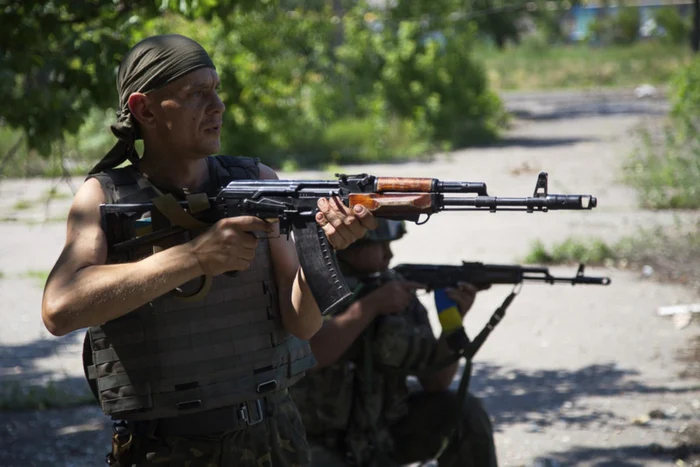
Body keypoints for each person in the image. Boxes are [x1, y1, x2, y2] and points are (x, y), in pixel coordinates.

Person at [40, 34, 377, 467]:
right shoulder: (105, 196)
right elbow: (60, 308)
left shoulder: (256, 179)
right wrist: (194, 257)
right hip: (167, 448)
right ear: (144, 109)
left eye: (215, 90)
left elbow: (302, 324)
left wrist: (323, 248)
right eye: (196, 93)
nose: (216, 106)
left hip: (274, 436)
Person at [290, 219, 499, 467]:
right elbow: (310, 355)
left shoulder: (394, 291)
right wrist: (369, 307)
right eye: (380, 246)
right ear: (351, 243)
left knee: (464, 411)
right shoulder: (311, 288)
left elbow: (436, 381)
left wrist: (453, 322)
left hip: (381, 432)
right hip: (315, 442)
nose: (389, 254)